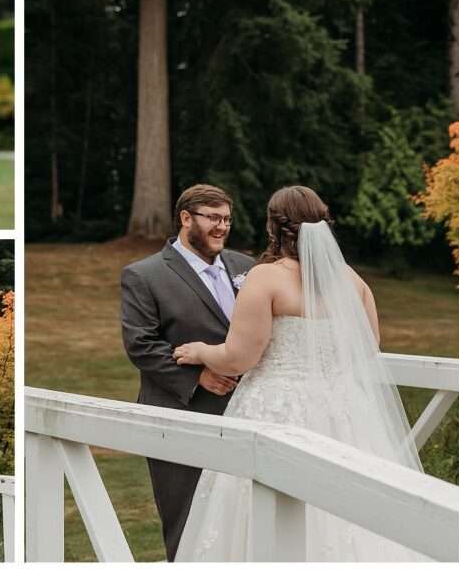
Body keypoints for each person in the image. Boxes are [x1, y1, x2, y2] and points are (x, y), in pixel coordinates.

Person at [172, 186, 426, 561]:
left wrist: (200, 352)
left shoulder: (265, 279)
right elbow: (368, 348)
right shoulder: (353, 282)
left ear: (274, 226)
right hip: (345, 412)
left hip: (278, 410)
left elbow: (238, 358)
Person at [120, 184, 256, 561]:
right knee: (186, 519)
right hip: (180, 414)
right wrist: (197, 378)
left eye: (227, 219)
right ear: (185, 218)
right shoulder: (144, 275)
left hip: (248, 414)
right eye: (213, 218)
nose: (222, 227)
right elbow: (141, 345)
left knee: (242, 519)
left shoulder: (247, 268)